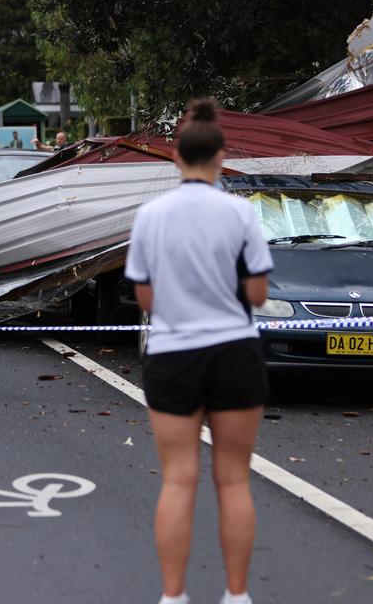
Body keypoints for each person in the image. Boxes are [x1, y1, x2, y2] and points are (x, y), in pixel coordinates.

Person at [124, 98, 272, 604]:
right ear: (221, 157)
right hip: (234, 351)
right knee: (233, 481)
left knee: (179, 480)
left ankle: (173, 596)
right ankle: (236, 596)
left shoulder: (149, 217)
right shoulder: (241, 213)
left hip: (173, 355)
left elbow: (145, 297)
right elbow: (257, 295)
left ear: (175, 158)